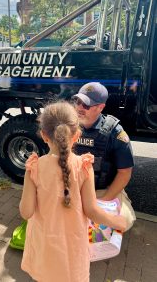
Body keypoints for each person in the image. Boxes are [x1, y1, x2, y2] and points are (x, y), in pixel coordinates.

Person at [19, 101, 127, 282]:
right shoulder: (84, 166)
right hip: (73, 249)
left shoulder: (34, 167)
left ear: (44, 135)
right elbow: (92, 211)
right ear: (76, 135)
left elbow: (26, 212)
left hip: (44, 246)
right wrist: (117, 221)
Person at [71, 82, 136, 230]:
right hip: (74, 187)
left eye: (86, 105)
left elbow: (124, 172)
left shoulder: (115, 133)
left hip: (102, 189)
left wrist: (105, 200)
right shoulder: (69, 125)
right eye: (78, 102)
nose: (80, 107)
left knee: (123, 221)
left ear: (100, 107)